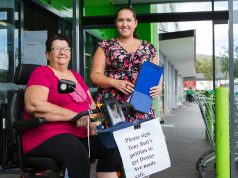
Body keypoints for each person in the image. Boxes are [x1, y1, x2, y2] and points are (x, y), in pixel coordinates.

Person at [22, 34, 121, 178]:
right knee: (76, 150)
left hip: (80, 134)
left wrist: (94, 120)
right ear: (47, 54)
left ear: (70, 53)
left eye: (66, 49)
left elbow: (91, 104)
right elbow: (35, 105)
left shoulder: (76, 76)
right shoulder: (42, 72)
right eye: (56, 49)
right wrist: (75, 116)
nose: (62, 52)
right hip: (47, 135)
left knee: (112, 145)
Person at [90, 6, 161, 122]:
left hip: (141, 105)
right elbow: (95, 76)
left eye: (128, 20)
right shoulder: (105, 46)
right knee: (113, 139)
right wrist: (114, 82)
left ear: (135, 23)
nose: (124, 24)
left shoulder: (149, 48)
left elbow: (156, 75)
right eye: (120, 20)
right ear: (116, 23)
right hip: (112, 107)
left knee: (143, 139)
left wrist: (159, 87)